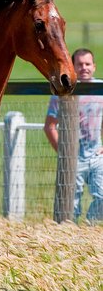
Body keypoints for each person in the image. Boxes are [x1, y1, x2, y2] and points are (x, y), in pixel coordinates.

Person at [44, 48, 103, 221]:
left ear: (94, 67)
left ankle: (90, 230)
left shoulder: (101, 90)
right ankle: (70, 235)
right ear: (73, 66)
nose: (84, 68)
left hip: (96, 156)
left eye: (88, 64)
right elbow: (49, 127)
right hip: (73, 158)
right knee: (70, 207)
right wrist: (65, 153)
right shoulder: (63, 93)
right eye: (80, 64)